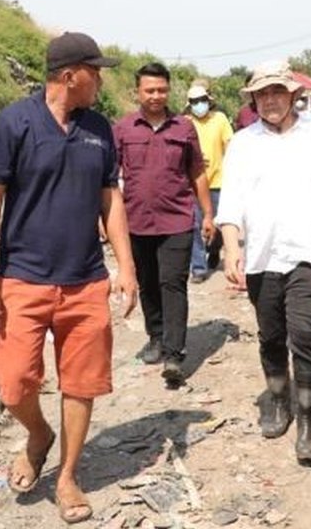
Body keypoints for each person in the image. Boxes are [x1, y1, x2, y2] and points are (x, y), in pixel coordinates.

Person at [0, 31, 139, 525]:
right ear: (70, 76)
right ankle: (39, 434)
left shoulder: (99, 129)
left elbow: (111, 201)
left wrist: (125, 267)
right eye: (96, 71)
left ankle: (67, 475)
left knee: (81, 383)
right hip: (21, 278)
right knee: (13, 381)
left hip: (85, 280)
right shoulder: (14, 122)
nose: (101, 79)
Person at [217, 59, 311, 467]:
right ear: (254, 100)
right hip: (262, 258)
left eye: (277, 92)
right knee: (271, 336)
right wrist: (231, 247)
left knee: (305, 335)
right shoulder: (244, 143)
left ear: (294, 94)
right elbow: (231, 202)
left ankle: (308, 421)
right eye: (262, 94)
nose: (270, 100)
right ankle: (279, 401)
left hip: (308, 255)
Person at [113, 63, 214, 387]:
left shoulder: (183, 127)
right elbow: (110, 179)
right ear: (137, 92)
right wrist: (104, 219)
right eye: (149, 90)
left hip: (177, 220)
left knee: (173, 283)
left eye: (161, 90)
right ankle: (155, 337)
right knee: (148, 283)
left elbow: (197, 171)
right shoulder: (124, 128)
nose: (156, 96)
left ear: (169, 91)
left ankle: (174, 353)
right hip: (136, 221)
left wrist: (208, 214)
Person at [186, 84, 232, 282]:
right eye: (195, 102)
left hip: (218, 181)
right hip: (193, 182)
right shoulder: (185, 123)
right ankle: (198, 267)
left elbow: (229, 145)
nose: (199, 105)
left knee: (219, 224)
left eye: (202, 100)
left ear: (209, 100)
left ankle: (214, 249)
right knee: (193, 224)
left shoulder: (219, 119)